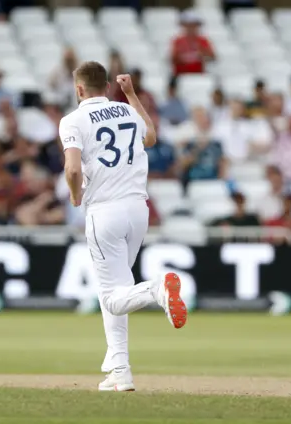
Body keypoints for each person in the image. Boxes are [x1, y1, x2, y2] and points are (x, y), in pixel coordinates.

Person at [59, 62, 187, 392]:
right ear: (107, 86)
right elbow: (151, 137)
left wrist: (75, 196)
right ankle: (120, 370)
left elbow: (73, 168)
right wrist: (130, 94)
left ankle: (157, 289)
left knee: (112, 298)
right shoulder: (127, 110)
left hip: (104, 212)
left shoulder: (72, 120)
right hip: (138, 211)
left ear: (79, 90)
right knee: (118, 288)